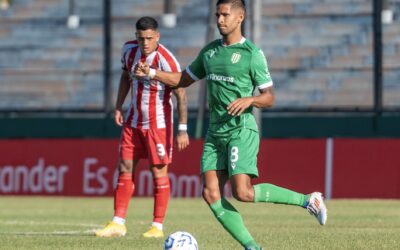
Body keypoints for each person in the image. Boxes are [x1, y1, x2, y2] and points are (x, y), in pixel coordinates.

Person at [134, 1, 327, 249]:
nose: (220, 19)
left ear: (240, 17)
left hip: (240, 128)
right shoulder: (210, 52)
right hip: (216, 132)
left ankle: (308, 200)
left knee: (243, 192)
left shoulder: (251, 54)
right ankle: (253, 248)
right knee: (210, 193)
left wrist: (250, 99)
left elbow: (269, 97)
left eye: (225, 14)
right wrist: (151, 73)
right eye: (218, 14)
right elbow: (182, 79)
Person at [95, 16, 189, 238]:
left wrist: (183, 128)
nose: (144, 43)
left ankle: (157, 226)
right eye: (140, 38)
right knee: (125, 167)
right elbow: (126, 77)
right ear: (135, 36)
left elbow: (181, 91)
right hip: (133, 121)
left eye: (149, 38)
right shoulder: (128, 50)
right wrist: (119, 106)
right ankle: (118, 222)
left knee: (158, 172)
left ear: (157, 36)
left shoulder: (166, 59)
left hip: (159, 125)